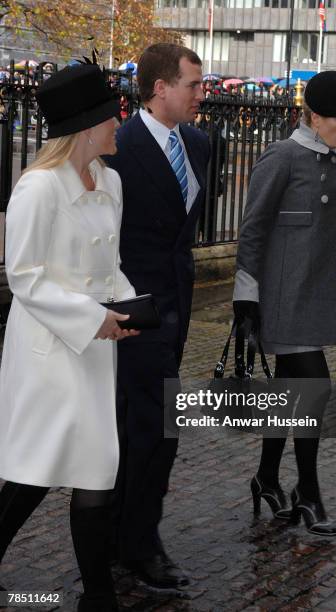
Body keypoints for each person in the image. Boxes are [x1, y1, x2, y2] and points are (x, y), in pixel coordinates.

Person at [0, 64, 139, 612]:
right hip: (49, 353)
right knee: (39, 472)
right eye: (111, 115)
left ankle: (97, 596)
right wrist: (92, 317)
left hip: (93, 350)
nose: (118, 123)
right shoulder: (37, 186)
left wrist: (129, 309)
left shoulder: (111, 181)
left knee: (96, 467)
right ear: (86, 126)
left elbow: (112, 267)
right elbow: (25, 276)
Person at [232, 71, 336, 536]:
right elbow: (253, 228)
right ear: (314, 115)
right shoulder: (282, 156)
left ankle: (267, 479)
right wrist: (245, 294)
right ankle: (308, 492)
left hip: (320, 293)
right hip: (283, 297)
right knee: (315, 389)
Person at [105, 43, 209, 588]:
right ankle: (140, 546)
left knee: (143, 426)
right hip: (133, 309)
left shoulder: (199, 142)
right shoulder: (118, 147)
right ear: (160, 87)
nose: (201, 92)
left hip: (179, 307)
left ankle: (120, 533)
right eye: (193, 83)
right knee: (155, 428)